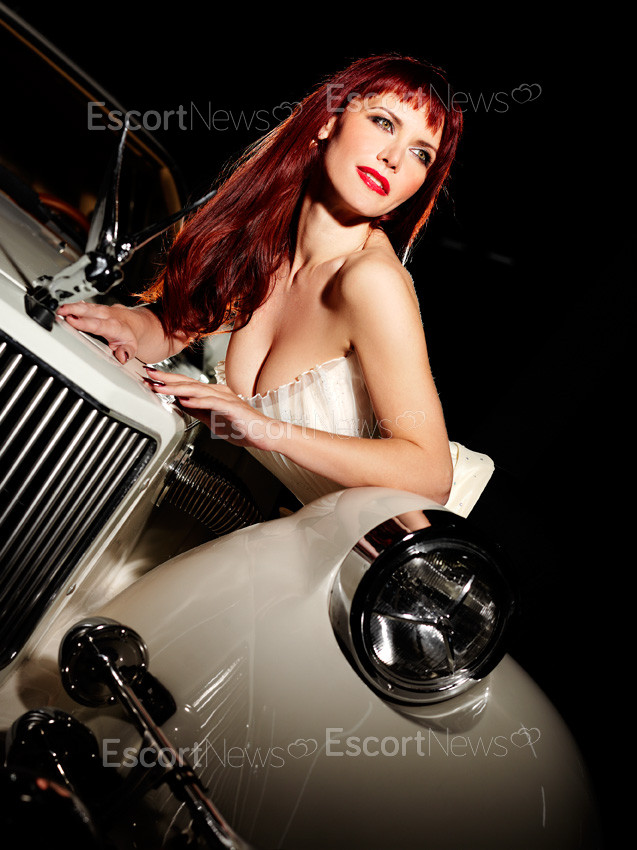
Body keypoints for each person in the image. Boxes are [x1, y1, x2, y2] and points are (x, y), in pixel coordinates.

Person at [57, 54, 494, 515]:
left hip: (431, 545)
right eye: (383, 122)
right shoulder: (269, 251)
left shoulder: (370, 281)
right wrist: (127, 323)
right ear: (327, 122)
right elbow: (175, 329)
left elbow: (430, 477)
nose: (393, 158)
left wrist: (263, 428)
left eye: (421, 153)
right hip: (322, 530)